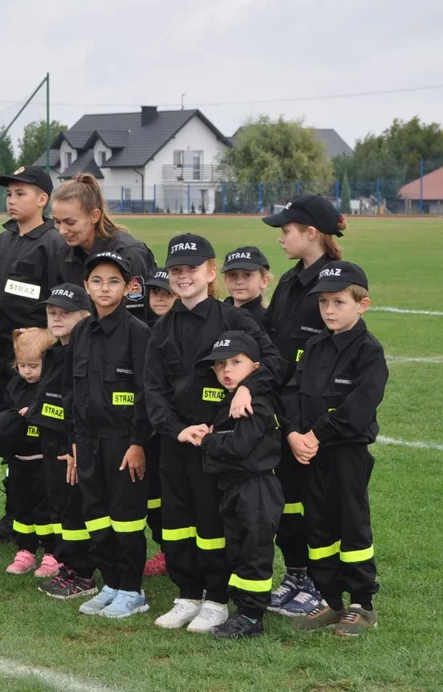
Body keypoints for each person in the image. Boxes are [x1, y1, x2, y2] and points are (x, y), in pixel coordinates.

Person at [143, 233, 285, 633]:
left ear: (210, 272)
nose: (183, 277)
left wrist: (245, 388)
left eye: (192, 269)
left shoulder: (234, 319)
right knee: (176, 523)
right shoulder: (162, 327)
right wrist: (176, 429)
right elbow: (151, 389)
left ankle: (217, 599)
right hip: (178, 442)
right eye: (176, 270)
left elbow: (270, 362)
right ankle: (187, 594)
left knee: (212, 524)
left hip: (219, 446)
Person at [284, 261, 388, 637]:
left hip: (346, 454)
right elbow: (293, 392)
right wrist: (294, 433)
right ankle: (330, 600)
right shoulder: (314, 345)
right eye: (324, 302)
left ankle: (362, 604)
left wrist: (317, 434)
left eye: (339, 302)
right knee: (318, 525)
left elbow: (359, 407)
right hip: (310, 454)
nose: (328, 310)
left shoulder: (368, 351)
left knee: (351, 524)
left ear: (362, 304)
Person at [260, 194, 347, 617]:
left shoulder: (334, 284)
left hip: (316, 417)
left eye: (286, 230)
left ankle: (320, 582)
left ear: (311, 233)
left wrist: (309, 425)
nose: (281, 238)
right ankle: (295, 573)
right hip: (284, 409)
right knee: (288, 501)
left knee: (317, 504)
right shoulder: (290, 280)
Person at [0, 166, 67, 544]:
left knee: (38, 442)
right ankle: (15, 514)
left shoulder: (53, 243)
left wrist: (41, 341)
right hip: (3, 359)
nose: (11, 200)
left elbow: (62, 303)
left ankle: (47, 515)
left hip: (36, 365)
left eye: (20, 193)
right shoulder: (2, 240)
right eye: (9, 193)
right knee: (9, 436)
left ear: (43, 200)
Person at [68, 251, 152, 620]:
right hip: (87, 440)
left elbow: (147, 393)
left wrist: (138, 443)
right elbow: (74, 390)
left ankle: (132, 590)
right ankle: (112, 583)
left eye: (114, 281)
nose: (105, 288)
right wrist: (74, 440)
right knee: (97, 517)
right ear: (86, 286)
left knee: (126, 519)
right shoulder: (81, 332)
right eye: (97, 281)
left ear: (129, 287)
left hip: (122, 441)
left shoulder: (138, 333)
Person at [192, 330, 285, 639]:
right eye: (219, 365)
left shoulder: (255, 401)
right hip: (234, 488)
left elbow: (240, 446)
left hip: (256, 488)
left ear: (255, 367)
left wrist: (207, 439)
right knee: (238, 549)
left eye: (235, 362)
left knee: (254, 552)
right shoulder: (230, 401)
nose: (226, 370)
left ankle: (252, 616)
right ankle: (243, 610)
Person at [29, 284, 95, 599]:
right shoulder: (54, 352)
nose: (56, 318)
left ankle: (83, 573)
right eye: (52, 313)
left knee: (75, 507)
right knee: (59, 505)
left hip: (73, 444)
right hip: (52, 441)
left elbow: (79, 404)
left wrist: (75, 448)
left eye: (65, 313)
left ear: (85, 317)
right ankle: (67, 565)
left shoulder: (85, 353)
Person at [0, 327, 56, 574]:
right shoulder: (14, 385)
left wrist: (34, 412)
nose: (27, 371)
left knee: (46, 509)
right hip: (18, 461)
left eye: (33, 365)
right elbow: (3, 415)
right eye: (22, 365)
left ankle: (53, 554)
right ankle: (25, 551)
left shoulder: (51, 388)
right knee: (22, 508)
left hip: (44, 461)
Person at [51, 174, 156, 324]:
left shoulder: (129, 252)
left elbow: (136, 318)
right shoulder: (64, 252)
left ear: (94, 216)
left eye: (70, 222)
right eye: (57, 222)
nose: (62, 230)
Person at [140, 267, 176, 578]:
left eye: (167, 292)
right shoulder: (145, 329)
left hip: (175, 427)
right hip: (149, 426)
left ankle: (179, 553)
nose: (160, 298)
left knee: (174, 494)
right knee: (152, 494)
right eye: (155, 292)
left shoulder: (179, 329)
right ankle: (166, 551)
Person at [222, 246, 271, 318]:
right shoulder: (215, 315)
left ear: (264, 281)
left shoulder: (268, 322)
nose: (239, 282)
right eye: (232, 275)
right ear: (225, 279)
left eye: (247, 275)